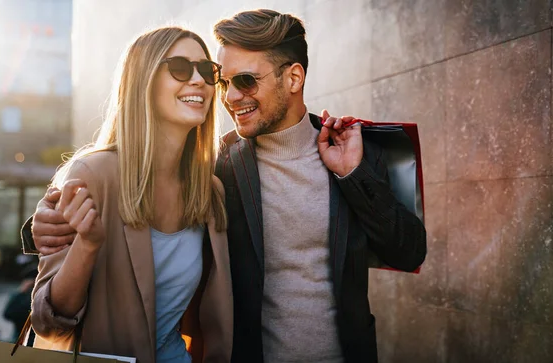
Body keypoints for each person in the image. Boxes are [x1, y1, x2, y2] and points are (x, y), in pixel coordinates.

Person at [23, 9, 426, 363]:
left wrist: (352, 176)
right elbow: (118, 208)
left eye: (245, 81)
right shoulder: (221, 168)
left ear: (294, 78)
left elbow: (408, 252)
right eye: (225, 81)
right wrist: (41, 226)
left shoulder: (350, 155)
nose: (230, 96)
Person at [26, 27, 232, 363]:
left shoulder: (210, 192)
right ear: (143, 82)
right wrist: (87, 245)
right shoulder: (93, 174)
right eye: (180, 67)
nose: (199, 80)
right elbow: (48, 323)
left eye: (208, 71)